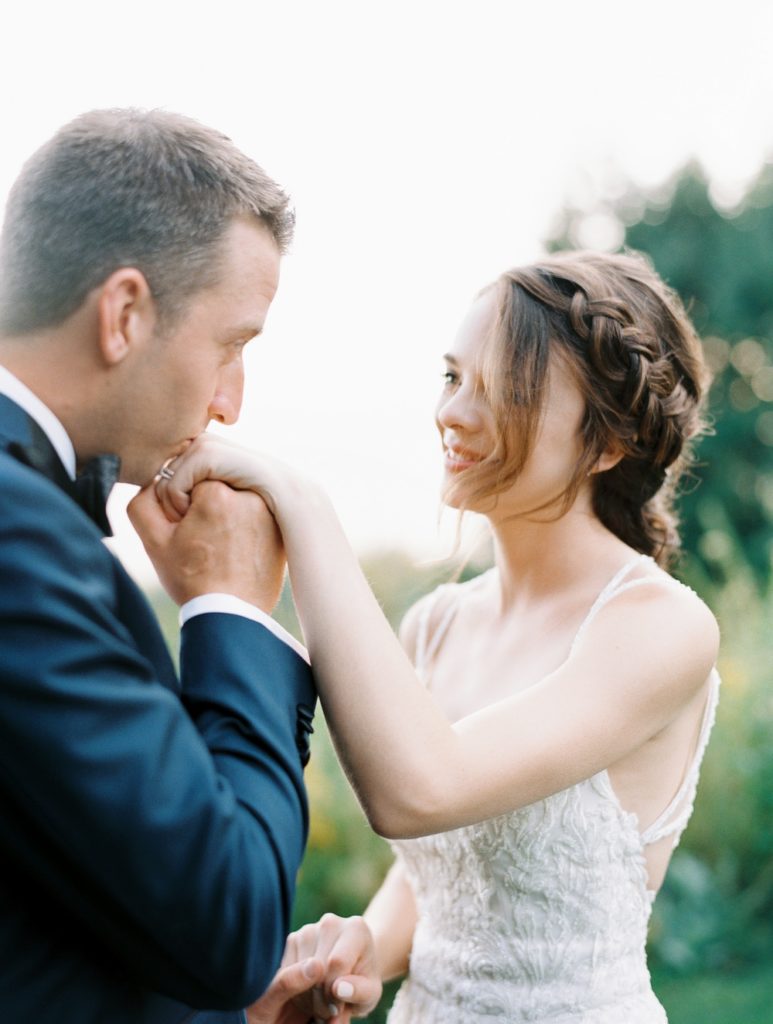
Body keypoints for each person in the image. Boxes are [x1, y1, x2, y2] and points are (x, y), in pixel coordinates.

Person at [159, 250, 721, 1023]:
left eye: (502, 392)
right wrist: (364, 947)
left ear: (605, 443)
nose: (452, 413)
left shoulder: (660, 628)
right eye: (453, 377)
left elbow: (419, 790)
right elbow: (435, 878)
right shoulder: (438, 621)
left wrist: (301, 505)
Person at [0, 108, 319, 1024]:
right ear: (125, 314)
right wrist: (231, 608)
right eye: (232, 346)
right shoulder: (19, 534)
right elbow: (230, 923)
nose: (229, 401)